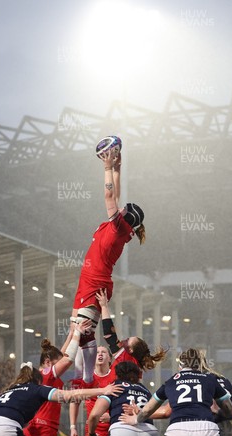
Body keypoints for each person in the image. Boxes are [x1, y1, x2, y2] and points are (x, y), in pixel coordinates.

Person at [71, 146, 145, 384]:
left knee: (82, 332)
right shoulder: (121, 227)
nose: (120, 207)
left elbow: (109, 196)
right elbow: (116, 195)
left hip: (95, 282)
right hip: (90, 279)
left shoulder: (118, 228)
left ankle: (85, 378)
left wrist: (106, 167)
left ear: (126, 217)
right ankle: (82, 376)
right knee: (77, 331)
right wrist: (117, 167)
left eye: (124, 209)